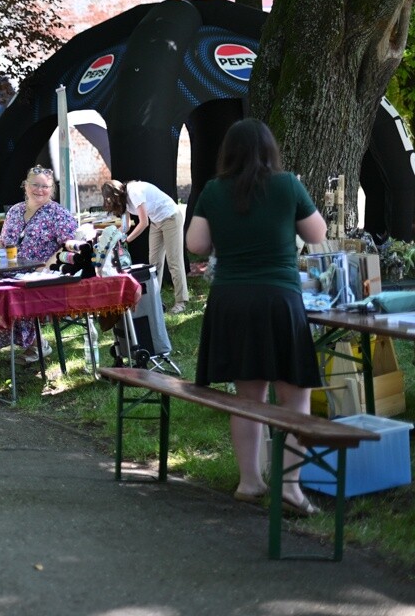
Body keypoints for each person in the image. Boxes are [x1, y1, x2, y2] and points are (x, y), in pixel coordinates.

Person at [185, 118, 327, 516]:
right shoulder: (287, 185)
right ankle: (291, 489)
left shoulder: (214, 190)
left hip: (232, 300)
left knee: (248, 397)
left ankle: (250, 482)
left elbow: (195, 244)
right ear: (270, 150)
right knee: (294, 396)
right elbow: (318, 234)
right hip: (279, 299)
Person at [0, 165, 79, 367]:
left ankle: (35, 345)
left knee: (11, 295)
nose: (39, 190)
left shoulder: (58, 214)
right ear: (25, 186)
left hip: (40, 275)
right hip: (8, 270)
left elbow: (68, 247)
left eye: (45, 186)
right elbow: (2, 242)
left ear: (52, 189)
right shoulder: (15, 211)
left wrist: (44, 267)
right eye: (35, 185)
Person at [103, 178, 189, 313]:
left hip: (170, 217)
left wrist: (127, 240)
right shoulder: (123, 200)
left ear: (116, 195)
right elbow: (125, 226)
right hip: (156, 221)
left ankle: (181, 302)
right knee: (154, 263)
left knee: (174, 261)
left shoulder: (134, 192)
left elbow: (143, 223)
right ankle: (155, 301)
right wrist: (112, 237)